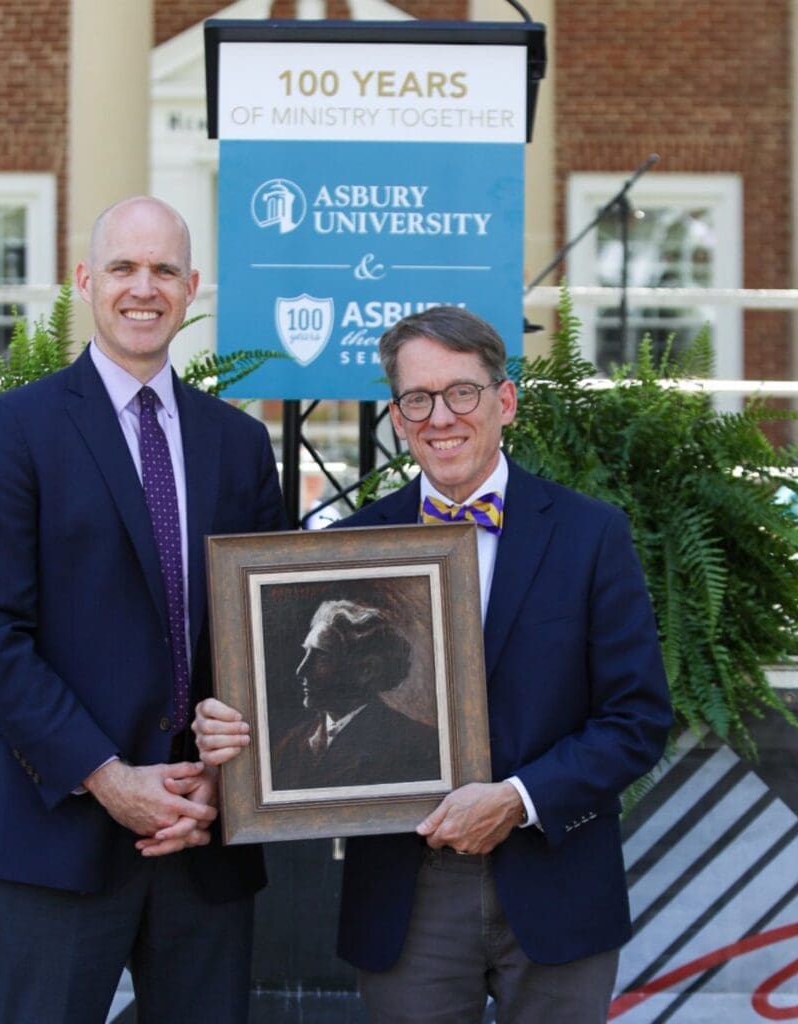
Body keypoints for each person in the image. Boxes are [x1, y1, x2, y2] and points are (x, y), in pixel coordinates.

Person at [194, 306, 672, 1023]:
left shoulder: (589, 534)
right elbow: (279, 713)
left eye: (460, 392)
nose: (439, 416)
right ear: (396, 415)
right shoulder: (346, 550)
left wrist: (516, 798)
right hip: (406, 894)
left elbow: (638, 719)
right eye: (417, 398)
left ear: (504, 400)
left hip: (555, 882)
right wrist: (229, 729)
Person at [0, 196, 285, 1023]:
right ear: (86, 281)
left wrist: (217, 776)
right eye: (125, 268)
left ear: (192, 286)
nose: (145, 287)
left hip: (205, 836)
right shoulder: (14, 430)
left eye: (164, 269)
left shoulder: (238, 444)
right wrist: (108, 778)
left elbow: (267, 631)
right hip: (66, 832)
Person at [270, 599, 440, 791]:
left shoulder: (417, 745)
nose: (302, 670)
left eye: (321, 657)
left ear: (366, 670)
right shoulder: (289, 746)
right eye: (306, 653)